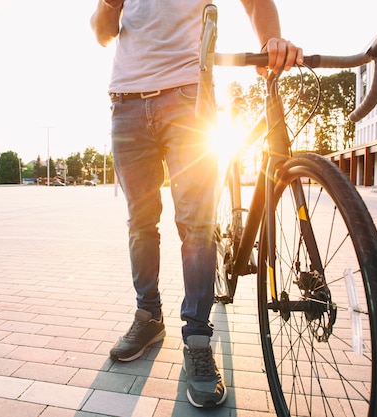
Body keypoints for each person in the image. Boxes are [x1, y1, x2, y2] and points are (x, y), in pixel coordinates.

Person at [90, 0, 303, 409]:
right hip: (126, 102)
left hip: (188, 97)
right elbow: (103, 32)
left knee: (196, 224)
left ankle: (197, 337)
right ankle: (148, 316)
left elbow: (257, 3)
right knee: (140, 220)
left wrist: (270, 41)